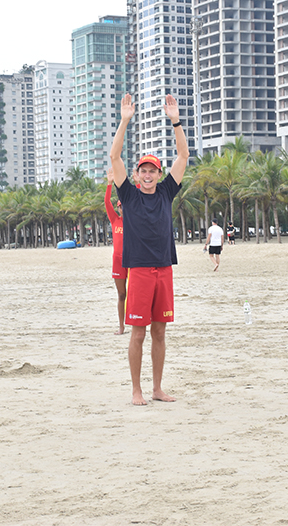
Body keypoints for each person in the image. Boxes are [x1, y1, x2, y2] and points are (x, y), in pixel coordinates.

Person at [110, 93, 189, 406]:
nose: (147, 175)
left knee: (159, 332)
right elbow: (115, 158)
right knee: (138, 333)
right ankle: (136, 390)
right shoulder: (128, 195)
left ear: (158, 174)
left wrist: (176, 122)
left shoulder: (166, 192)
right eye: (142, 170)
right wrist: (125, 121)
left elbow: (182, 157)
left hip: (164, 269)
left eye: (152, 171)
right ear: (136, 174)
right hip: (140, 270)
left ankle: (157, 388)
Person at [105, 168, 127, 335]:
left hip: (133, 260)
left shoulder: (135, 221)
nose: (122, 209)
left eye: (124, 206)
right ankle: (121, 327)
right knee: (121, 295)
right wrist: (109, 184)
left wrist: (139, 184)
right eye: (120, 207)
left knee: (134, 294)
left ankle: (137, 322)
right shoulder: (115, 220)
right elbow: (107, 203)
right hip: (118, 261)